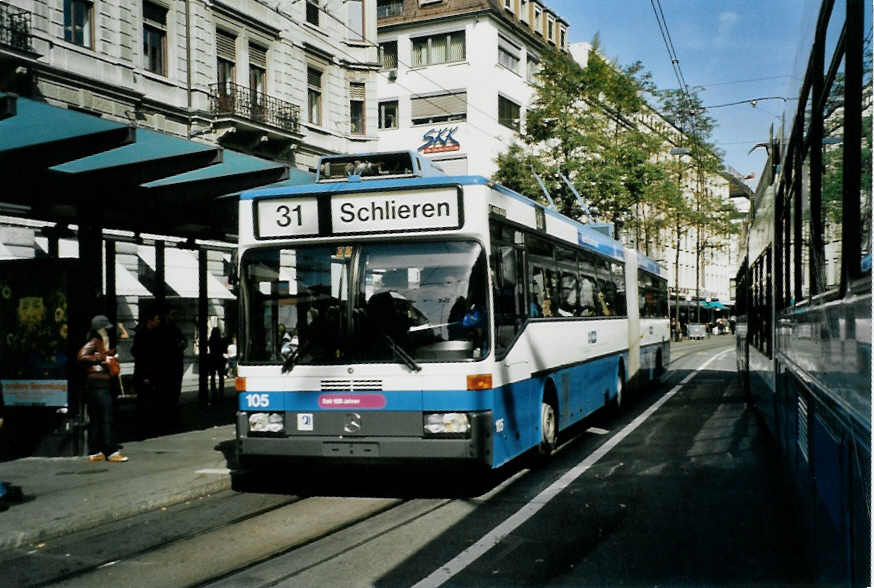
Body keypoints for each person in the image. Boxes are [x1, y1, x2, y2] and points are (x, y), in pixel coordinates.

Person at [78, 315, 128, 463]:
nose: (107, 332)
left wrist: (109, 354)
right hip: (99, 382)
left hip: (94, 383)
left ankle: (95, 452)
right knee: (107, 417)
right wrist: (103, 359)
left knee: (96, 418)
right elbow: (82, 356)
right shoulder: (95, 341)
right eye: (105, 329)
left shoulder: (97, 341)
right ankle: (111, 451)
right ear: (99, 329)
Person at [132, 305, 162, 440]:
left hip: (148, 372)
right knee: (145, 401)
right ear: (151, 320)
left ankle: (145, 427)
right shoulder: (145, 335)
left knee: (147, 401)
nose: (159, 321)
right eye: (157, 319)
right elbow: (142, 355)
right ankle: (143, 429)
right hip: (145, 373)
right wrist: (145, 375)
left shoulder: (147, 333)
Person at [158, 307, 185, 433]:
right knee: (168, 392)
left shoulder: (174, 328)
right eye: (172, 314)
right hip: (169, 364)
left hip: (174, 363)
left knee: (173, 392)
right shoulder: (165, 329)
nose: (175, 317)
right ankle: (168, 417)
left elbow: (184, 341)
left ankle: (170, 416)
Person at [207, 327, 227, 404]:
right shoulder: (221, 340)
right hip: (220, 359)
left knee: (212, 376)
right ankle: (221, 392)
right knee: (221, 376)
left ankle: (213, 392)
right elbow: (224, 350)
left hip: (212, 359)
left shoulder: (210, 340)